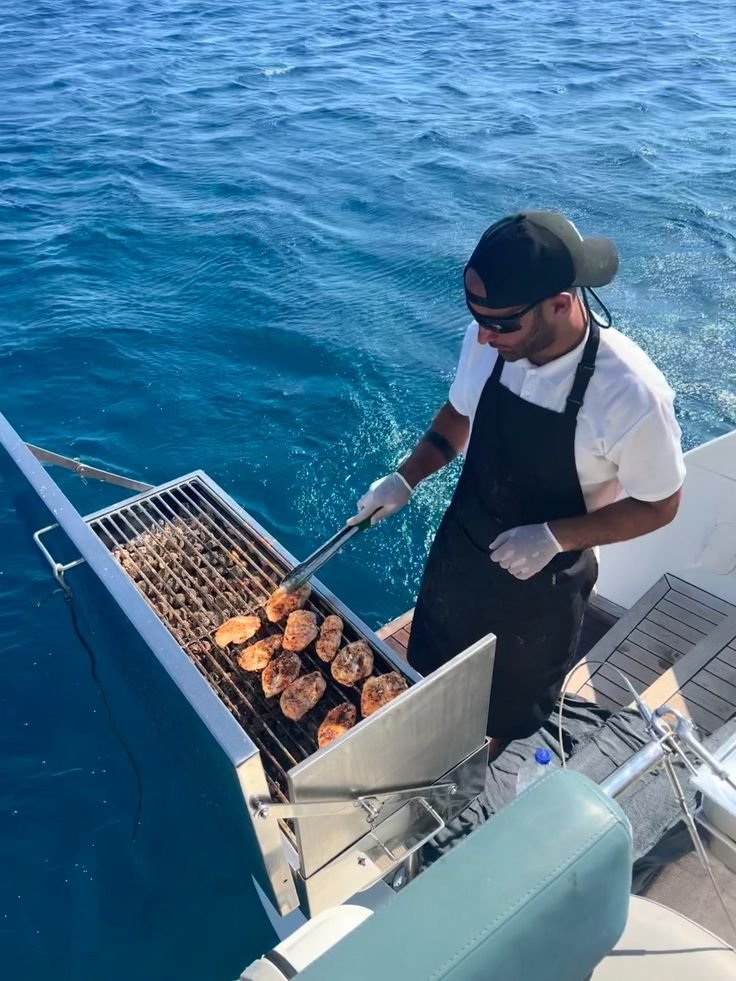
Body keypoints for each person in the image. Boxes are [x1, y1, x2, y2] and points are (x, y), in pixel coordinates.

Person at [348, 211, 685, 757]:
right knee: (431, 670)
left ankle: (487, 765)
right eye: (477, 318)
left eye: (503, 323)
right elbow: (459, 415)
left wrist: (554, 537)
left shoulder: (631, 394)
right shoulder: (488, 340)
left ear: (561, 300)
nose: (484, 335)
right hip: (464, 549)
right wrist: (404, 479)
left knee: (508, 708)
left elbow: (661, 504)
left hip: (543, 586)